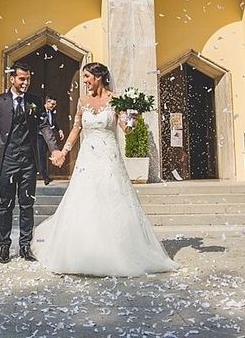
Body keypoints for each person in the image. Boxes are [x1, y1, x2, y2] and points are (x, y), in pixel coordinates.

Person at [31, 63, 179, 277]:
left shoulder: (116, 100)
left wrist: (133, 118)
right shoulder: (82, 102)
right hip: (88, 160)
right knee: (86, 200)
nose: (84, 81)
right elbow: (76, 129)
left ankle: (118, 251)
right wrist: (63, 152)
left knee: (113, 200)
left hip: (110, 158)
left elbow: (127, 130)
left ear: (99, 77)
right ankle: (84, 249)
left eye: (87, 76)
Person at [0, 62, 64, 264]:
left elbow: (45, 126)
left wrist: (54, 149)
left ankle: (24, 246)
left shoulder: (35, 101)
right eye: (22, 79)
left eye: (28, 78)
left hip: (28, 160)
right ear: (12, 79)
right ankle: (4, 246)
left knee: (27, 203)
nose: (26, 82)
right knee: (6, 204)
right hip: (7, 160)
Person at [37, 95, 64, 185]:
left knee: (50, 155)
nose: (53, 106)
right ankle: (45, 177)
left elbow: (54, 122)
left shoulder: (52, 112)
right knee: (42, 157)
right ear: (47, 102)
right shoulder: (40, 111)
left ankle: (48, 174)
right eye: (52, 104)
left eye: (54, 104)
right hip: (40, 137)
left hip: (49, 137)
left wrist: (59, 129)